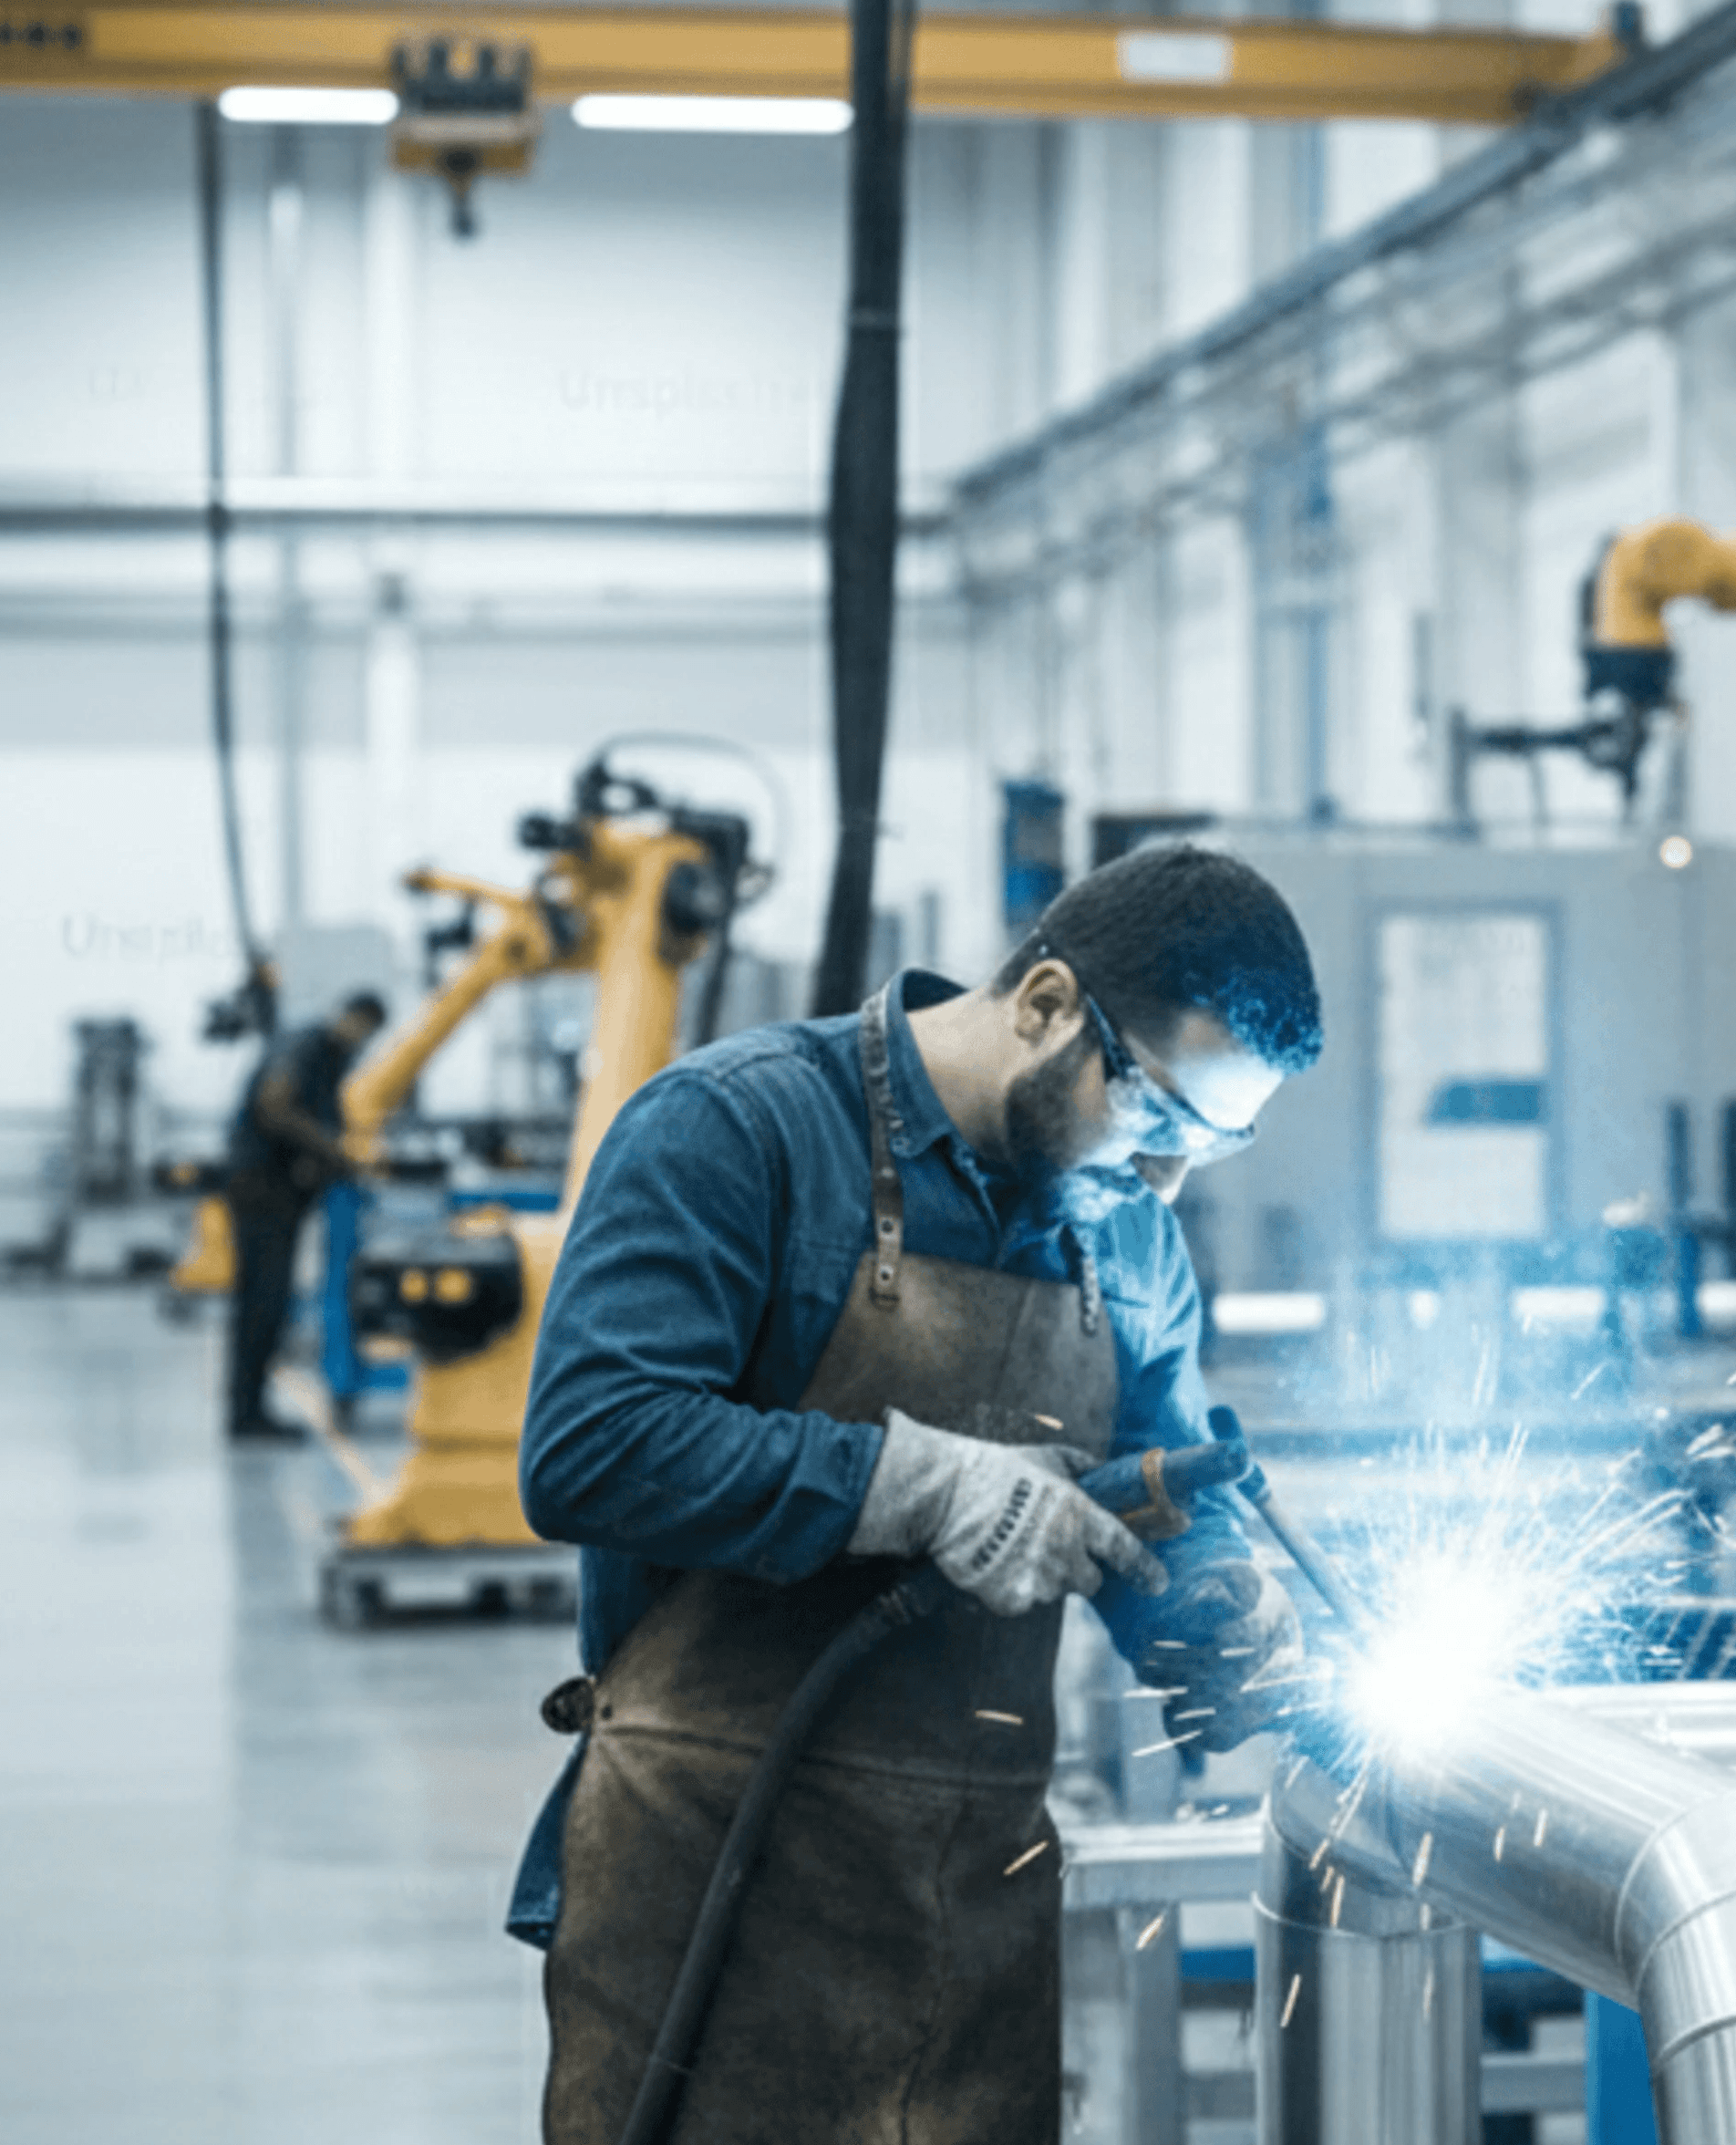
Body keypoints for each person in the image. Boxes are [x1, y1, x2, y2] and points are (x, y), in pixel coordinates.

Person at [510, 842, 1323, 2145]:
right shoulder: (738, 1126)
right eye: (1159, 1120)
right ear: (1048, 1005)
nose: (1165, 1182)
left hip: (969, 1897)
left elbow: (1163, 1492)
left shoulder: (1130, 1236)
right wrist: (912, 1485)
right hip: (712, 1870)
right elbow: (593, 1443)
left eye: (1206, 1149)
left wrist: (1220, 1606)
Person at [219, 989, 386, 1443]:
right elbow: (275, 1105)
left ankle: (249, 1410)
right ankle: (246, 1415)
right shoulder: (305, 1047)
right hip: (264, 1190)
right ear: (351, 1017)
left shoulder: (327, 1055)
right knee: (262, 1302)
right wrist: (333, 1152)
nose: (363, 1040)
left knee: (266, 1302)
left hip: (279, 1192)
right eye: (364, 1030)